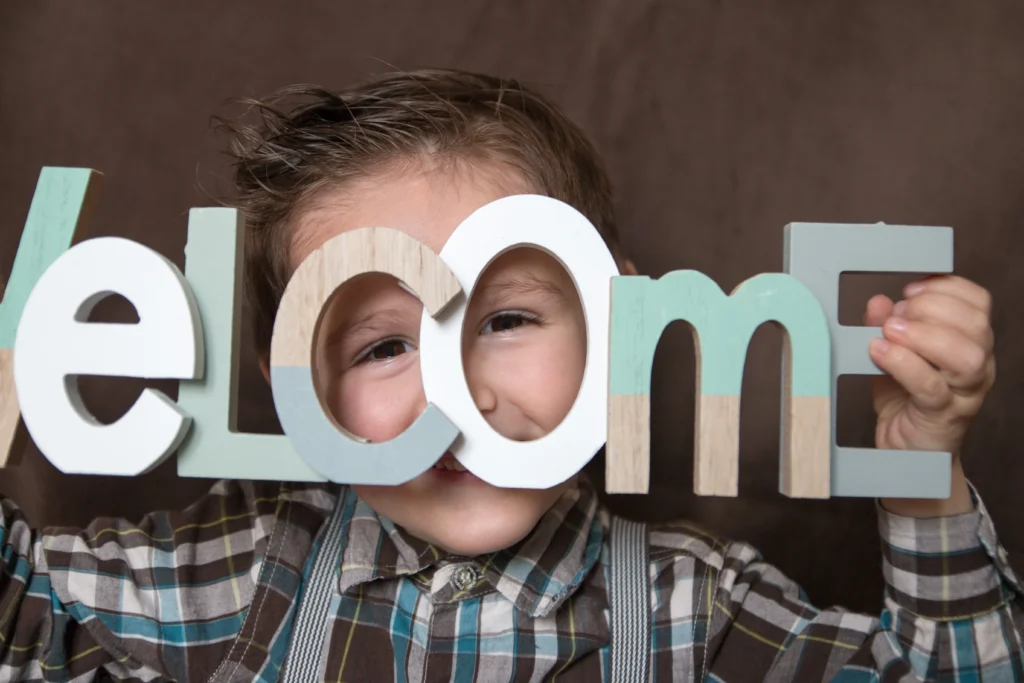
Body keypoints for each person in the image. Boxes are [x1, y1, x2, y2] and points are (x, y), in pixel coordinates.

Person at [1, 68, 1020, 682]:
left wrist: (919, 477)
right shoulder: (251, 564)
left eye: (507, 318)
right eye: (381, 344)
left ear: (618, 322)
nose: (458, 394)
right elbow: (23, 620)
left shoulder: (691, 606)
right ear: (297, 384)